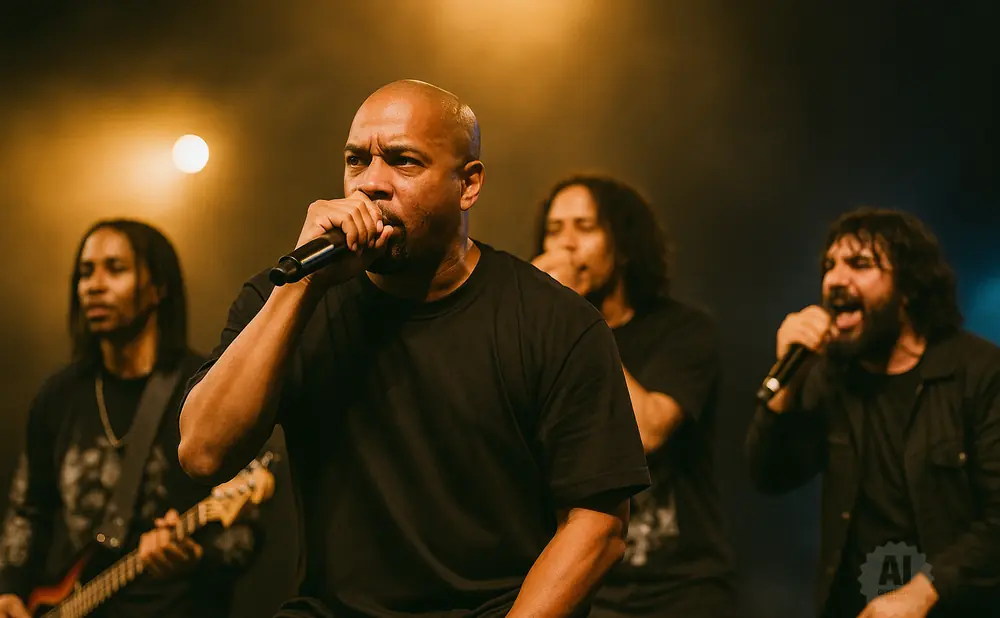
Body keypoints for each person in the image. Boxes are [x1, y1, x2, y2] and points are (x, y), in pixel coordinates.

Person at [176, 79, 651, 618]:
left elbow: (599, 526)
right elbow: (202, 454)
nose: (371, 184)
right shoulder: (283, 298)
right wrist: (303, 288)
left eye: (403, 162)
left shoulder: (554, 321)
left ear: (468, 184)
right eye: (357, 161)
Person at [745, 207, 1000, 618]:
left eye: (859, 265)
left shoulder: (978, 373)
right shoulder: (831, 377)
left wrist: (923, 591)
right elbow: (770, 475)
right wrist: (786, 385)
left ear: (909, 287)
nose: (834, 280)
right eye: (830, 265)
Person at [0, 219, 260, 618]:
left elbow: (246, 533)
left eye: (115, 269)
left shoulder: (202, 392)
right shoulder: (58, 396)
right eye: (85, 272)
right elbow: (28, 509)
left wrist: (195, 557)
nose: (94, 285)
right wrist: (11, 591)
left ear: (159, 288)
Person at [531, 175, 738, 617]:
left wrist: (573, 313)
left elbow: (647, 431)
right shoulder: (541, 341)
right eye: (554, 230)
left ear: (622, 246)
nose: (565, 245)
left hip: (681, 591)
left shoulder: (682, 331)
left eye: (584, 227)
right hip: (585, 588)